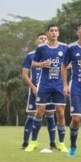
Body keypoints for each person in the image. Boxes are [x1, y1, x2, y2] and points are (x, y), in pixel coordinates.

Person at [24, 24, 69, 153]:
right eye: (51, 31)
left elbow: (68, 64)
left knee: (60, 113)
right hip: (44, 85)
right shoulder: (42, 48)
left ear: (58, 33)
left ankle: (61, 143)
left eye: (56, 31)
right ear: (48, 34)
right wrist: (42, 64)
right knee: (39, 112)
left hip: (59, 85)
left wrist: (66, 75)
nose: (54, 33)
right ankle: (33, 142)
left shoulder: (64, 47)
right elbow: (33, 63)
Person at [21, 32, 57, 150]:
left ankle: (53, 143)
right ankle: (26, 142)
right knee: (32, 114)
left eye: (45, 38)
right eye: (41, 38)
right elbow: (25, 74)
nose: (43, 40)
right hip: (35, 90)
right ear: (36, 41)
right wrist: (33, 87)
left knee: (50, 114)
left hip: (49, 89)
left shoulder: (53, 54)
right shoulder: (30, 55)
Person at [63, 21, 81, 157]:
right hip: (77, 88)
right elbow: (64, 66)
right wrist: (65, 85)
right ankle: (73, 146)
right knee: (76, 119)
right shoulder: (71, 48)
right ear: (78, 32)